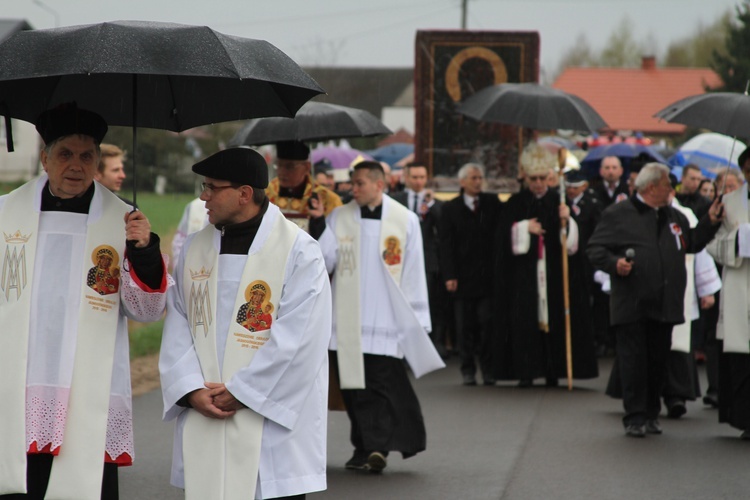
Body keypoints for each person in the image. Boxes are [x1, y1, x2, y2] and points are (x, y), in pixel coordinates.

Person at [0, 103, 169, 499]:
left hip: (88, 383)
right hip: (15, 378)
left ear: (96, 161)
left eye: (86, 156)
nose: (76, 165)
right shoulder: (6, 214)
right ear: (44, 158)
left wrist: (143, 250)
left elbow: (146, 310)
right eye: (65, 154)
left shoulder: (124, 221)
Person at [159, 147, 331, 498]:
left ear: (243, 194)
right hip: (205, 408)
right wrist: (191, 389)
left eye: (211, 187)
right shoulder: (195, 248)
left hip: (269, 427)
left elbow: (300, 338)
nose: (203, 196)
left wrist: (243, 392)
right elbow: (178, 321)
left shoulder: (299, 250)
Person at [317, 160, 444, 473]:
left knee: (380, 385)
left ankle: (375, 447)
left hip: (385, 317)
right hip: (345, 320)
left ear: (379, 184)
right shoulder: (339, 217)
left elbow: (414, 270)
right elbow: (323, 260)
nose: (353, 189)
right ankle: (364, 446)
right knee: (352, 387)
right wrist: (318, 222)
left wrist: (417, 318)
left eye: (359, 183)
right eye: (352, 183)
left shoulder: (405, 220)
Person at [587, 163, 723, 437]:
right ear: (650, 188)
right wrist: (615, 264)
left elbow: (693, 243)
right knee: (633, 361)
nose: (672, 190)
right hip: (632, 304)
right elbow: (594, 249)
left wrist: (710, 221)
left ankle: (651, 413)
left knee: (657, 362)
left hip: (665, 302)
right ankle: (635, 416)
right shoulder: (618, 214)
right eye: (667, 185)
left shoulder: (676, 217)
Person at [496, 144, 597, 388]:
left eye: (543, 178)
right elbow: (500, 239)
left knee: (556, 319)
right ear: (527, 178)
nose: (539, 183)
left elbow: (573, 245)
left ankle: (554, 370)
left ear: (550, 178)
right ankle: (526, 370)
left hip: (553, 272)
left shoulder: (559, 202)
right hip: (525, 275)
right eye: (534, 179)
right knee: (525, 321)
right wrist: (521, 228)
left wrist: (567, 222)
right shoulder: (515, 202)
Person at [439, 163, 502, 385]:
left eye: (480, 178)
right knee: (464, 326)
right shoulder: (451, 208)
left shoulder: (492, 204)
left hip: (487, 278)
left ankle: (488, 368)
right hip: (462, 279)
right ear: (463, 182)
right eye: (473, 178)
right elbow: (445, 245)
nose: (478, 182)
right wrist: (449, 276)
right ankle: (467, 369)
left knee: (487, 324)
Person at [705, 148, 750, 439]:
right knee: (743, 357)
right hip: (740, 282)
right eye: (749, 168)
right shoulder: (728, 203)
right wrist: (738, 239)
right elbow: (712, 243)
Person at [392, 162, 448, 358]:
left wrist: (431, 205)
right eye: (414, 177)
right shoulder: (395, 200)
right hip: (399, 260)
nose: (418, 182)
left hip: (427, 261)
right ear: (406, 178)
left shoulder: (435, 203)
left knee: (428, 303)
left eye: (422, 178)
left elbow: (444, 227)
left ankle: (429, 347)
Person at [266, 140, 342, 234]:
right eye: (279, 165)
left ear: (307, 167)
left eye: (289, 166)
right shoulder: (266, 194)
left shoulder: (328, 199)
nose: (281, 172)